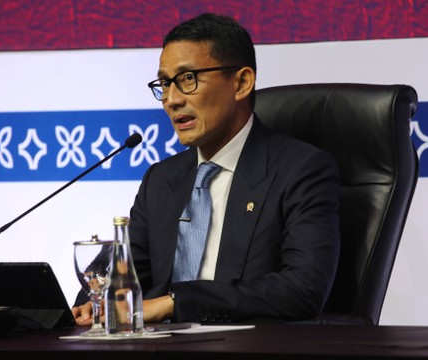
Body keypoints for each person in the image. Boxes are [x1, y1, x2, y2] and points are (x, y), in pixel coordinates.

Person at [73, 12, 340, 325]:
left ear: (241, 83)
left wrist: (175, 304)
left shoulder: (301, 170)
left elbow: (302, 289)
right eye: (164, 83)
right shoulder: (162, 179)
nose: (171, 100)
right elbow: (117, 270)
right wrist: (94, 301)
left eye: (188, 79)